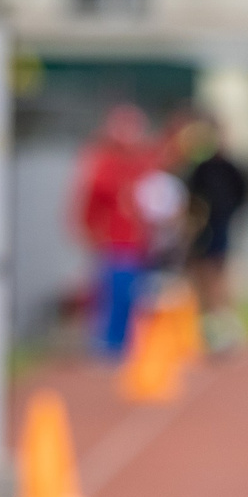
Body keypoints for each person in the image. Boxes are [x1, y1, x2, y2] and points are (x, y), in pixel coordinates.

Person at [72, 105, 156, 357]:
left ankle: (126, 342)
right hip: (113, 238)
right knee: (114, 290)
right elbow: (91, 200)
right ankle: (108, 344)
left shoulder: (142, 162)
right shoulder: (103, 162)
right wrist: (89, 230)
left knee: (133, 293)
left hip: (138, 239)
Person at [176, 111, 248, 351]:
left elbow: (243, 193)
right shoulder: (195, 167)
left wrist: (228, 214)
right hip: (199, 229)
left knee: (217, 276)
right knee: (199, 278)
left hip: (218, 226)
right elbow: (187, 197)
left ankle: (227, 327)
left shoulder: (228, 167)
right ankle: (210, 328)